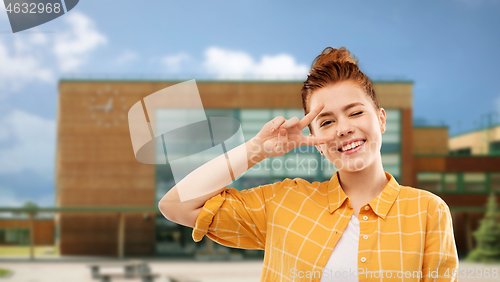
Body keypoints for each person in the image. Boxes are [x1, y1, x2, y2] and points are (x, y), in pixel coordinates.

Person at [159, 47, 459, 281]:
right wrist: (258, 149)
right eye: (326, 121)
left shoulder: (428, 212)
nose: (343, 129)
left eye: (355, 113)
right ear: (314, 138)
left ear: (380, 119)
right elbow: (176, 205)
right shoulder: (284, 203)